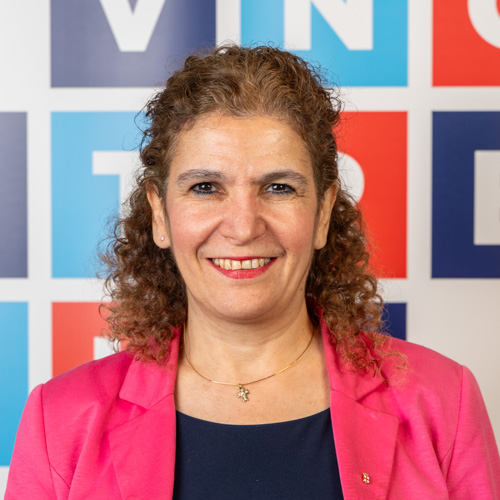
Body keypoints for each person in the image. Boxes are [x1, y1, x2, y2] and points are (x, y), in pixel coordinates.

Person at [6, 45, 500, 499]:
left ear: (323, 212)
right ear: (159, 213)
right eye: (205, 187)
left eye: (279, 187)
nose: (243, 227)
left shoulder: (442, 401)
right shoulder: (61, 420)